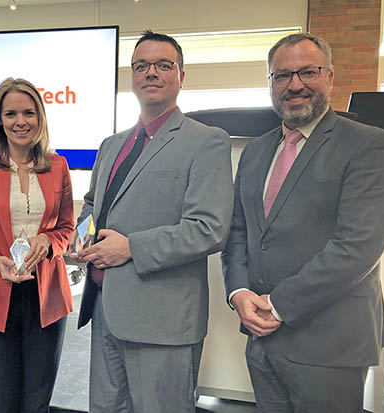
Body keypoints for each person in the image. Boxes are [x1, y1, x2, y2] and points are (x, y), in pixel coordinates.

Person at [221, 32, 384, 412]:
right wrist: (238, 293)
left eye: (307, 72)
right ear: (270, 83)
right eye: (282, 76)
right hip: (263, 343)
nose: (295, 85)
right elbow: (239, 233)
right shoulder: (255, 152)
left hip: (330, 346)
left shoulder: (369, 145)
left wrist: (278, 304)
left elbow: (357, 248)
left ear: (330, 77)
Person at [71, 30, 233, 412]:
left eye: (163, 65)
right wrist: (83, 239)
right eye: (141, 66)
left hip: (163, 322)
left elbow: (209, 228)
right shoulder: (113, 144)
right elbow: (94, 204)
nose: (151, 73)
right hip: (105, 311)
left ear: (181, 76)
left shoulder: (206, 141)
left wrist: (130, 247)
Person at [0, 77, 75, 413]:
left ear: (40, 118)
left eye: (29, 113)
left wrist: (47, 241)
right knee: (1, 402)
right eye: (11, 114)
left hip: (45, 299)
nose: (21, 121)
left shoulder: (58, 165)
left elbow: (66, 227)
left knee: (37, 403)